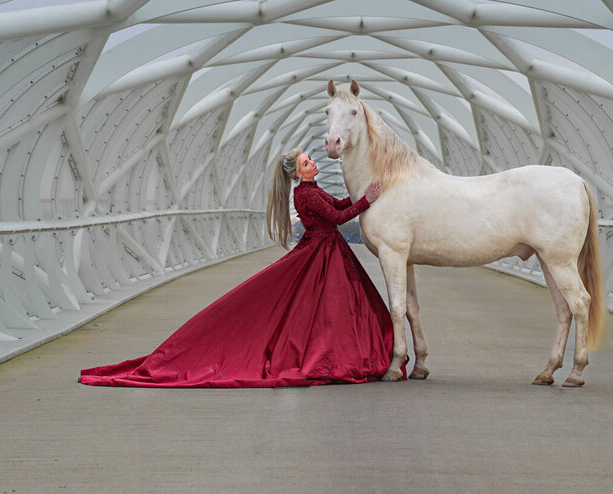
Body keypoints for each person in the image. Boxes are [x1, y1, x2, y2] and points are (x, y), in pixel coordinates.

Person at [78, 149, 400, 387]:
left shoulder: (311, 191)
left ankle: (346, 354)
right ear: (298, 174)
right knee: (325, 310)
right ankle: (344, 355)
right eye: (306, 163)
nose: (313, 162)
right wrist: (367, 201)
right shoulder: (306, 195)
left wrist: (359, 194)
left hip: (327, 252)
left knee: (328, 311)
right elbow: (340, 218)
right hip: (322, 254)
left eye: (310, 159)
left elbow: (338, 206)